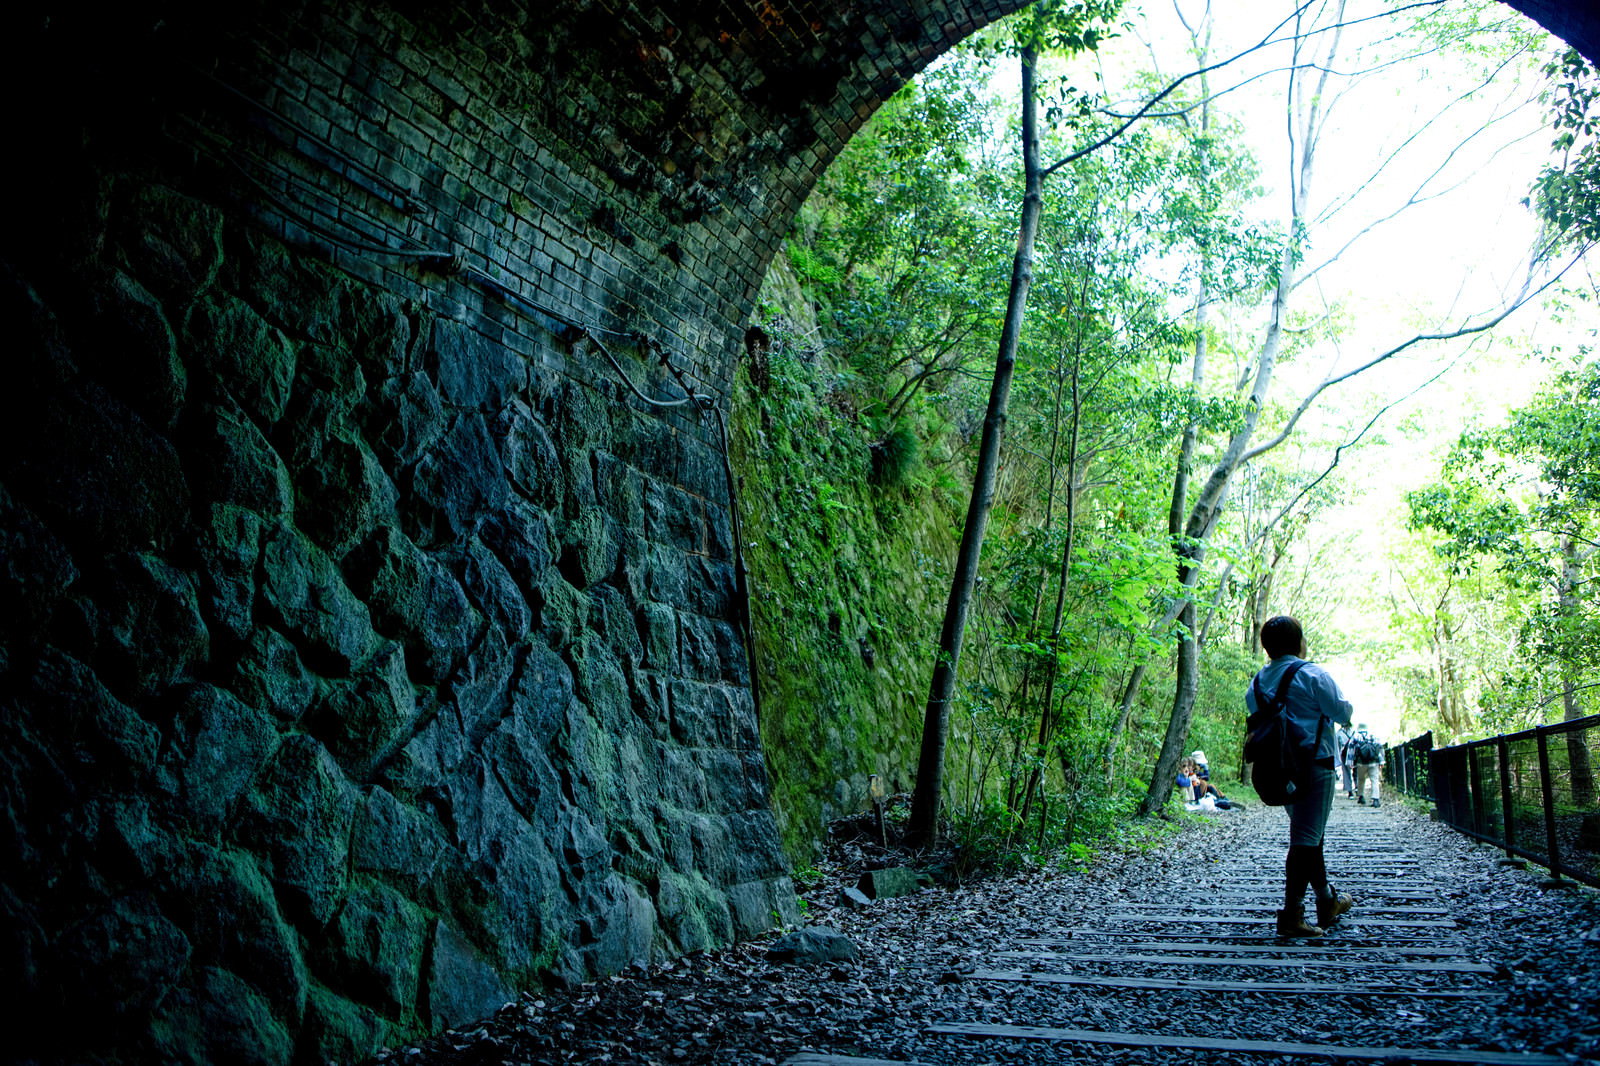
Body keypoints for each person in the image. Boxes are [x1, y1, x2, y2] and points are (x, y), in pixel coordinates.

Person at [1245, 615, 1356, 937]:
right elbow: (1344, 714)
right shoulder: (1313, 674)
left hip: (1279, 769)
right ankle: (1292, 914)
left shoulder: (1256, 683)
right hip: (1314, 766)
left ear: (1266, 647)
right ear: (1300, 642)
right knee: (1305, 840)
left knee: (1309, 835)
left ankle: (1327, 900)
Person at [1348, 723, 1385, 808]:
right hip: (1373, 762)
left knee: (1361, 779)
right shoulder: (1373, 736)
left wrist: (1350, 762)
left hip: (1361, 762)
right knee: (1374, 780)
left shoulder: (1355, 736)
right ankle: (1376, 799)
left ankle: (1361, 796)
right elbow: (1379, 748)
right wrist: (1382, 761)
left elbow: (1351, 750)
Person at [1334, 722, 1356, 799]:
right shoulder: (1354, 731)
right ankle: (1357, 787)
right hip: (1354, 753)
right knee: (1355, 770)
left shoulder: (1338, 733)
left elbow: (1337, 746)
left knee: (1346, 772)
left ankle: (1350, 791)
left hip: (1344, 754)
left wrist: (1338, 758)